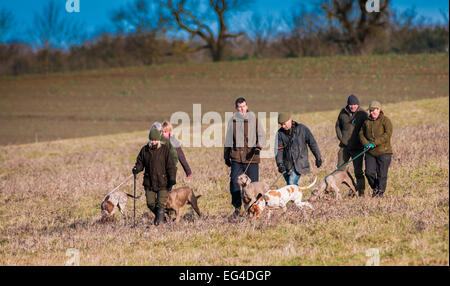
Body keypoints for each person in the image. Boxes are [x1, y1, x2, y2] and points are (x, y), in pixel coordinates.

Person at [224, 97, 266, 217]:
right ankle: (237, 208)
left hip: (251, 157)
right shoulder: (232, 121)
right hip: (236, 157)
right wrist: (226, 156)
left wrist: (258, 147)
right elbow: (228, 140)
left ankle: (254, 209)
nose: (242, 109)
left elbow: (262, 136)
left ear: (247, 106)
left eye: (243, 107)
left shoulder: (255, 119)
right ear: (236, 108)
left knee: (253, 186)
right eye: (239, 107)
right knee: (234, 183)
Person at [132, 128, 177, 225]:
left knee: (160, 204)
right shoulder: (144, 150)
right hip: (149, 182)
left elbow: (171, 166)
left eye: (155, 139)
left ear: (159, 139)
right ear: (149, 139)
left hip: (163, 182)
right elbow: (140, 163)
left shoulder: (165, 150)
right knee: (150, 203)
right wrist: (136, 169)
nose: (153, 142)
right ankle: (163, 219)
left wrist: (172, 179)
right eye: (151, 140)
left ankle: (158, 225)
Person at [335, 94, 368, 196]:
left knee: (358, 171)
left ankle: (361, 193)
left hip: (357, 147)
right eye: (350, 104)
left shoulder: (363, 114)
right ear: (348, 105)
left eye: (354, 104)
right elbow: (337, 126)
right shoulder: (342, 113)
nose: (352, 106)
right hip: (344, 147)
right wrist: (342, 139)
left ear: (358, 104)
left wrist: (363, 142)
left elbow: (367, 128)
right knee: (340, 170)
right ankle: (352, 187)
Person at [276, 113, 322, 186]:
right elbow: (279, 150)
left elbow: (312, 143)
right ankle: (297, 196)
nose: (283, 126)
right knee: (291, 186)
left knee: (291, 183)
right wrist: (280, 164)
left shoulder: (302, 129)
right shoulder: (280, 133)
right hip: (287, 165)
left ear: (290, 120)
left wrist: (318, 157)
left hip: (300, 163)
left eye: (284, 124)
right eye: (281, 124)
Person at [359, 100, 393, 198]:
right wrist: (366, 144)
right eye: (370, 110)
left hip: (384, 152)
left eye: (374, 110)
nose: (372, 112)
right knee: (369, 173)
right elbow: (361, 134)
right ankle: (375, 189)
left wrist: (374, 143)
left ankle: (380, 194)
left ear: (379, 110)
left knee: (382, 174)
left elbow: (387, 135)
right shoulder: (366, 121)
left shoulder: (386, 121)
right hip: (370, 152)